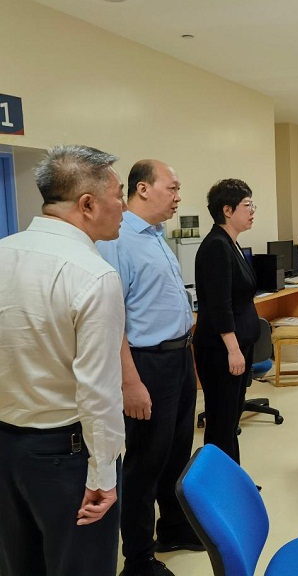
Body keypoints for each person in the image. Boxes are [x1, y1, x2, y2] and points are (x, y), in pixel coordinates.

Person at [0, 145, 126, 575]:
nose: (124, 206)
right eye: (119, 194)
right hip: (65, 455)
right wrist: (103, 475)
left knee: (19, 564)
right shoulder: (93, 275)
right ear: (87, 204)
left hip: (7, 447)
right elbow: (98, 391)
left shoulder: (4, 251)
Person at [96, 160, 201, 576]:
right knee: (145, 462)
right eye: (172, 188)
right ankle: (138, 558)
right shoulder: (118, 239)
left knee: (176, 452)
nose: (178, 197)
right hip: (146, 363)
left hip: (178, 357)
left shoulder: (156, 236)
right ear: (142, 189)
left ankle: (172, 528)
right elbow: (113, 319)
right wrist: (130, 381)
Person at [193, 179, 259, 464]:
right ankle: (218, 483)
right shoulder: (216, 246)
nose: (252, 211)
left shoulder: (231, 243)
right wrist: (233, 349)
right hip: (221, 351)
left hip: (238, 346)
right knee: (221, 424)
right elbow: (219, 305)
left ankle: (233, 480)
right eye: (247, 205)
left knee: (231, 421)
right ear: (227, 210)